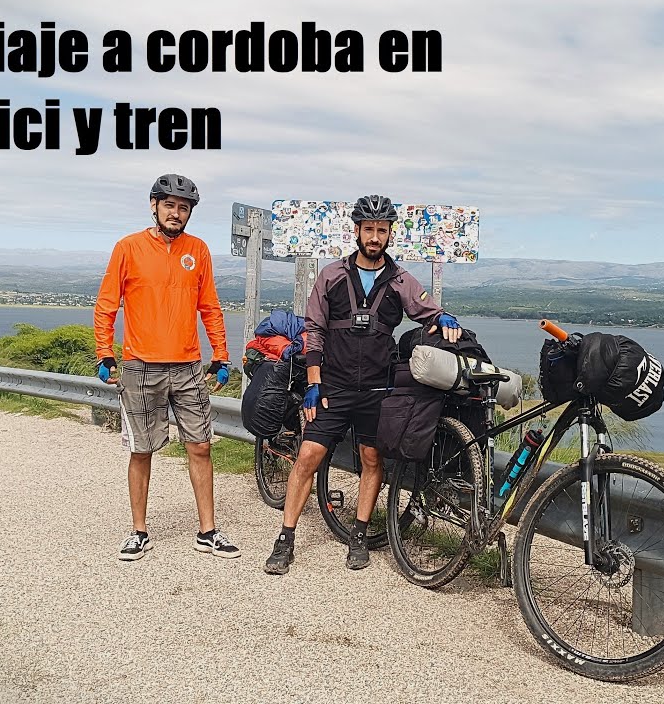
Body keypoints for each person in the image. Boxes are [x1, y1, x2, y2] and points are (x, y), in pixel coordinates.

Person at [263, 194, 462, 574]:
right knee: (307, 457)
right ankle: (285, 538)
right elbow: (314, 330)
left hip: (376, 390)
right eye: (368, 229)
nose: (374, 237)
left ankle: (359, 534)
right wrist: (314, 384)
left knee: (372, 460)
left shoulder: (400, 279)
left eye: (381, 231)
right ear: (356, 231)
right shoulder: (332, 276)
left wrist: (445, 318)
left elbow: (426, 310)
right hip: (333, 387)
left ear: (389, 235)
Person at [94, 173, 239, 562]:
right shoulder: (128, 247)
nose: (177, 213)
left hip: (189, 365)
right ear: (154, 205)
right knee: (142, 450)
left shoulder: (199, 250)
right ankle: (138, 531)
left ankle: (208, 531)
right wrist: (104, 353)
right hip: (140, 366)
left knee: (201, 446)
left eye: (184, 208)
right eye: (170, 205)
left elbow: (210, 307)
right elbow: (107, 304)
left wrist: (221, 356)